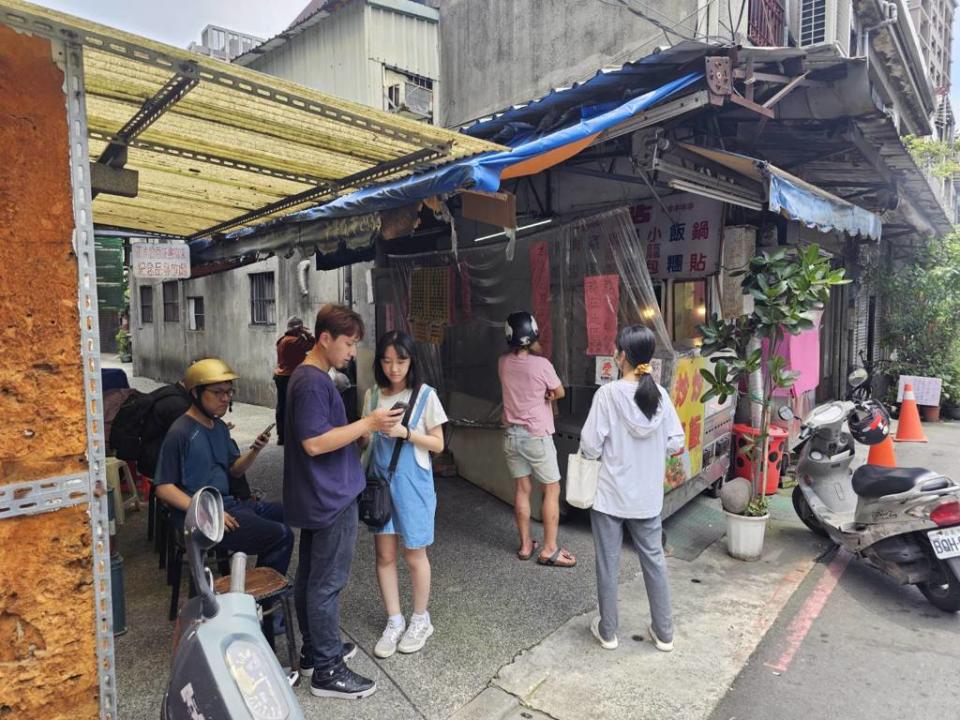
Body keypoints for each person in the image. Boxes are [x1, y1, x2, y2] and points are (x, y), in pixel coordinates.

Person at [283, 304, 403, 699]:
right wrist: (368, 424)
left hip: (320, 494)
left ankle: (316, 651)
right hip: (330, 496)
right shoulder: (313, 382)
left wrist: (356, 434)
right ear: (325, 339)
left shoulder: (309, 378)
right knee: (327, 584)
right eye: (349, 343)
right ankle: (328, 670)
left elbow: (323, 434)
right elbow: (314, 443)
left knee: (311, 579)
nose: (353, 352)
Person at [579, 325, 685, 652]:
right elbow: (676, 444)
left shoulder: (608, 395)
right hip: (647, 498)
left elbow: (590, 446)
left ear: (622, 355)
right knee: (654, 562)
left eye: (615, 348)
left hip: (610, 496)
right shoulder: (660, 396)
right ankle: (664, 633)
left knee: (608, 563)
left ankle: (608, 631)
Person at [155, 359, 294, 578]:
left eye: (229, 392)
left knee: (292, 512)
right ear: (196, 393)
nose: (226, 398)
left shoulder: (218, 426)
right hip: (201, 519)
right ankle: (265, 603)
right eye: (218, 392)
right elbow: (163, 488)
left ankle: (260, 586)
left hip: (230, 506)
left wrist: (255, 451)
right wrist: (208, 511)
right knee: (280, 535)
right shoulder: (180, 432)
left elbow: (234, 471)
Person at [361, 331, 448, 659]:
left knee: (414, 556)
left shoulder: (425, 396)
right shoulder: (371, 396)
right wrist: (364, 436)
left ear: (412, 361)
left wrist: (406, 433)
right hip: (380, 485)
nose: (393, 368)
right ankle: (394, 620)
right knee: (383, 556)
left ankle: (420, 619)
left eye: (401, 361)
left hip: (414, 486)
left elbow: (439, 444)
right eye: (386, 361)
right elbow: (365, 440)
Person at [498, 311, 576, 568]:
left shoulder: (503, 363)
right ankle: (549, 549)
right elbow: (560, 392)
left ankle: (524, 545)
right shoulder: (542, 365)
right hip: (536, 436)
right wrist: (548, 396)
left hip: (511, 435)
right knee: (551, 490)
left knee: (522, 489)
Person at [274, 317, 315, 445]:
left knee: (282, 406)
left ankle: (282, 436)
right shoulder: (294, 341)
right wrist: (307, 334)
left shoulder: (282, 340)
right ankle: (292, 435)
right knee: (294, 406)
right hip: (290, 377)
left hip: (281, 376)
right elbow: (314, 345)